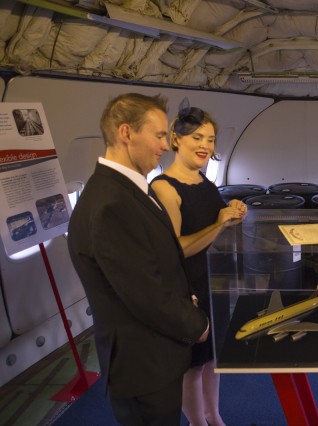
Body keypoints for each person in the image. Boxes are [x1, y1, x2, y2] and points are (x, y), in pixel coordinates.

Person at [67, 93, 210, 426]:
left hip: (155, 355)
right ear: (126, 133)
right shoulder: (111, 203)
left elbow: (152, 263)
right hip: (142, 365)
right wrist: (197, 324)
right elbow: (145, 293)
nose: (165, 145)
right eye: (159, 135)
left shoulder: (128, 190)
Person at [151, 104, 246, 426]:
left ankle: (214, 418)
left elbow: (213, 228)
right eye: (197, 137)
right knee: (191, 367)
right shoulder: (164, 188)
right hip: (185, 289)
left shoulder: (204, 181)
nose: (205, 145)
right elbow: (175, 248)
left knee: (211, 361)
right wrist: (219, 223)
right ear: (176, 139)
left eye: (210, 138)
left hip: (212, 282)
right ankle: (197, 422)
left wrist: (231, 212)